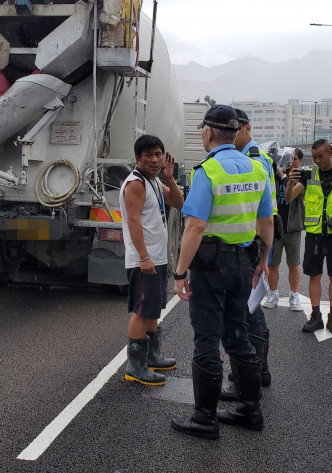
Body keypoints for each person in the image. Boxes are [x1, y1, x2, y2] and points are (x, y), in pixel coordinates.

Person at [170, 105, 274, 439]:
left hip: (211, 266)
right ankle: (248, 409)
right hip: (243, 263)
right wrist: (264, 258)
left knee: (207, 338)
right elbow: (267, 220)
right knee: (238, 334)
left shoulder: (209, 171)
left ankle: (205, 418)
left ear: (208, 133)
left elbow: (195, 227)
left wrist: (180, 272)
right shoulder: (257, 168)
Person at [119, 134, 184, 385]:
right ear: (137, 158)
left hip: (157, 257)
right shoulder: (136, 183)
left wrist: (169, 177)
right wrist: (143, 257)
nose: (155, 160)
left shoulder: (154, 181)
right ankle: (135, 366)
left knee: (152, 310)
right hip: (143, 259)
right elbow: (133, 221)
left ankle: (152, 356)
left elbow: (178, 202)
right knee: (141, 310)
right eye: (149, 155)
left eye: (158, 154)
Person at [286, 139, 332, 333]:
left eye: (320, 156)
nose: (317, 161)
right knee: (314, 275)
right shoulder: (310, 175)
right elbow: (289, 197)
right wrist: (290, 182)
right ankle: (316, 316)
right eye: (314, 157)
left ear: (330, 153)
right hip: (314, 234)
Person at [264, 148, 304, 311]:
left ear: (300, 161)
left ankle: (294, 295)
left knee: (293, 264)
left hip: (292, 226)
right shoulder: (274, 175)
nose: (291, 161)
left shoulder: (302, 178)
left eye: (295, 159)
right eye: (289, 158)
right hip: (275, 226)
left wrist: (287, 177)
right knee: (273, 264)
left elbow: (294, 195)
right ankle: (273, 293)